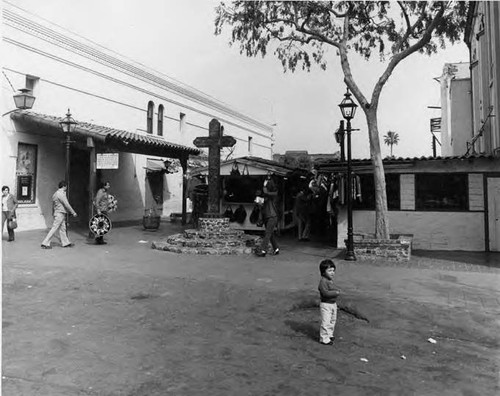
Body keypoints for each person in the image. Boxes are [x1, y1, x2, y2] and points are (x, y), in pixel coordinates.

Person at [41, 181, 77, 249]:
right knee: (54, 228)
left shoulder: (55, 194)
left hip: (59, 213)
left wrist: (53, 212)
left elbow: (53, 205)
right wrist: (73, 212)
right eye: (66, 186)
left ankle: (65, 243)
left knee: (63, 228)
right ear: (64, 186)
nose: (66, 187)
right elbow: (66, 204)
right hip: (60, 213)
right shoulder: (60, 194)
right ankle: (45, 243)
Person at [255, 174, 279, 257]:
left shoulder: (271, 195)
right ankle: (276, 248)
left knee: (267, 233)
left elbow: (266, 192)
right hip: (270, 216)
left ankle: (263, 250)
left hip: (271, 216)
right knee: (270, 233)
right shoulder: (269, 196)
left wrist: (264, 186)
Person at [318, 259, 341, 345]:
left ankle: (329, 334)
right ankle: (324, 338)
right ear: (323, 272)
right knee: (326, 321)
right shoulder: (323, 282)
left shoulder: (329, 280)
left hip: (333, 304)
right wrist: (335, 292)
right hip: (326, 304)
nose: (332, 273)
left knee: (332, 320)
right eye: (329, 270)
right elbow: (325, 293)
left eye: (333, 270)